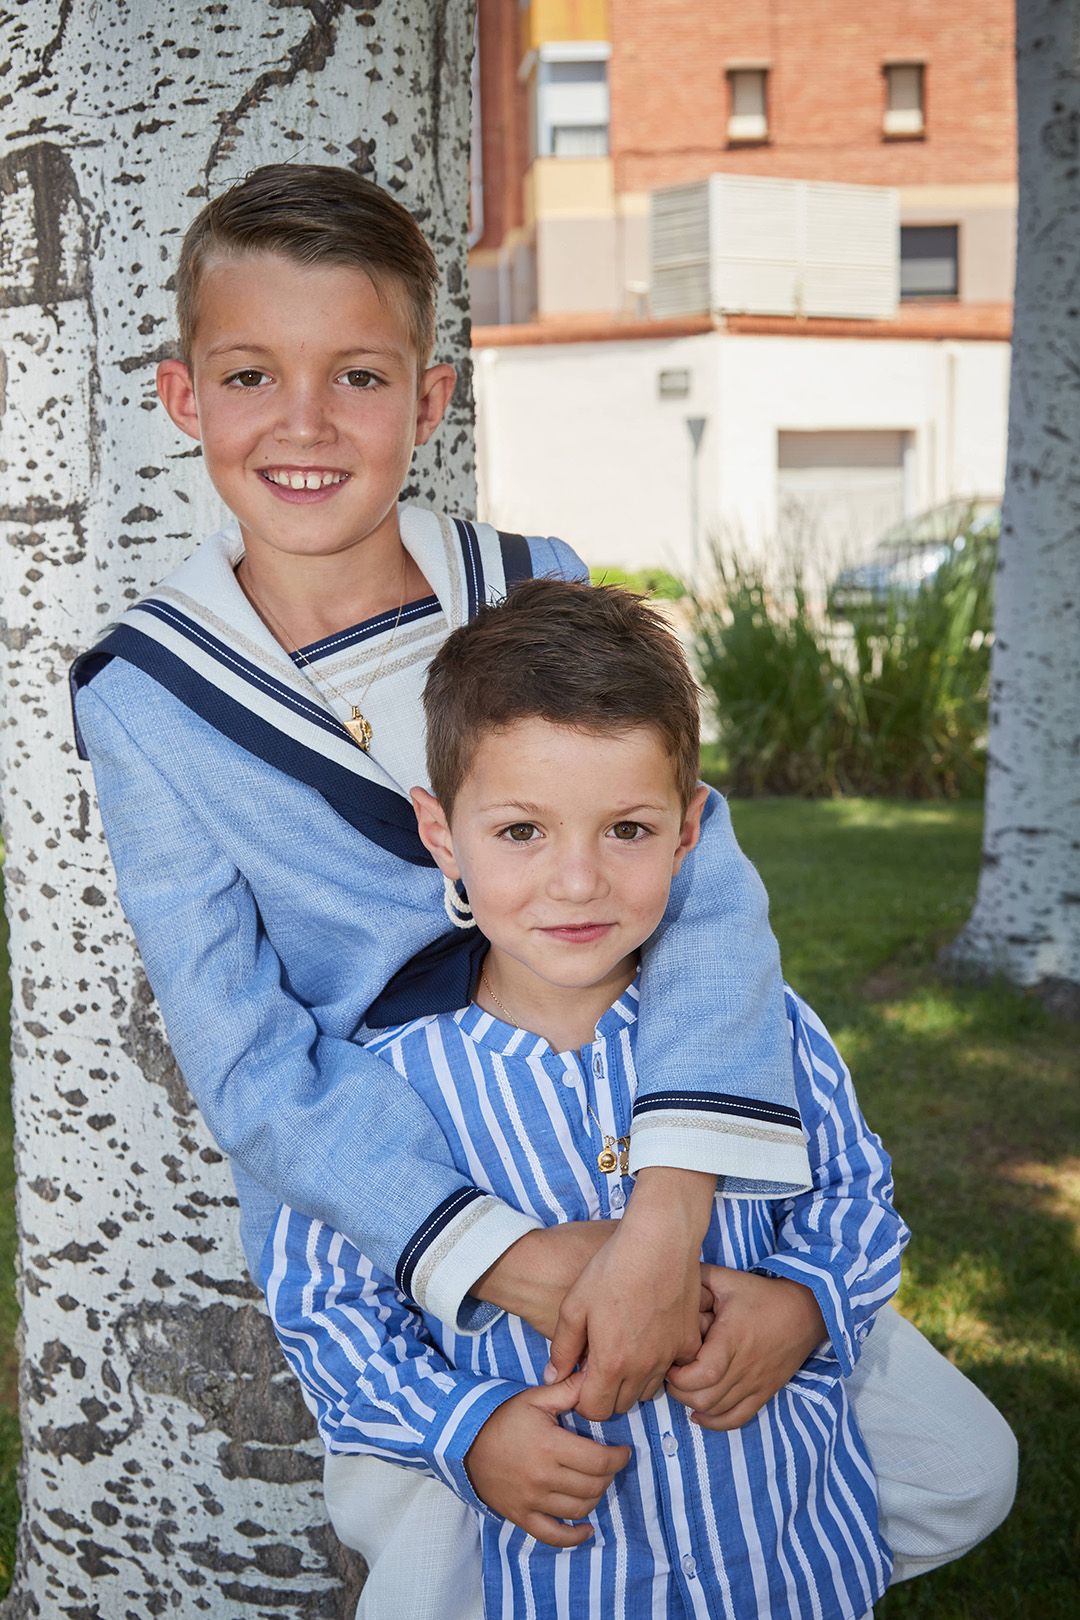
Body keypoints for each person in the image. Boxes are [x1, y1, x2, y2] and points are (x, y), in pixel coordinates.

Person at [70, 163, 1015, 1607]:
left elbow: (709, 892)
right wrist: (506, 1257)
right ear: (184, 398)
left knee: (954, 1463)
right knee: (481, 1549)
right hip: (409, 1167)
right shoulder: (146, 690)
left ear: (431, 400)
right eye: (253, 373)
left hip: (652, 1098)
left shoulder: (528, 579)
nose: (307, 424)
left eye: (361, 375)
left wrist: (669, 1221)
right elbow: (243, 1053)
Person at [267, 577, 905, 1620]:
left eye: (628, 830)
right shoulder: (390, 1084)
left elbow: (856, 1197)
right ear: (441, 835)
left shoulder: (763, 1026)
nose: (578, 883)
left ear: (690, 830)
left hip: (792, 1564)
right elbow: (329, 1311)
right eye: (521, 832)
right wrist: (466, 1428)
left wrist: (806, 1306)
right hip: (575, 1583)